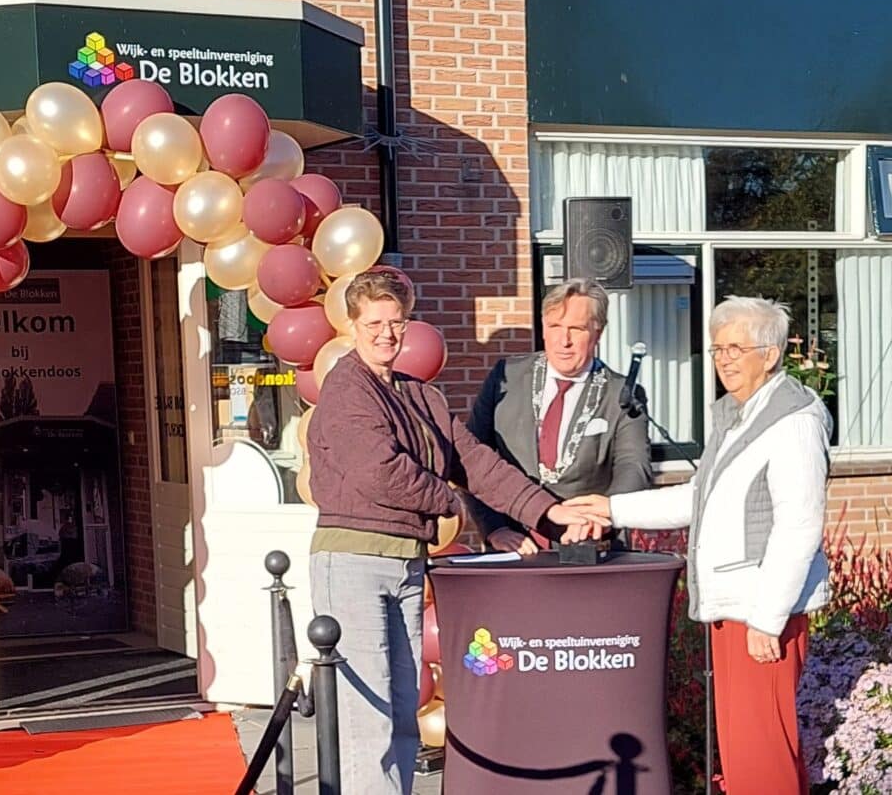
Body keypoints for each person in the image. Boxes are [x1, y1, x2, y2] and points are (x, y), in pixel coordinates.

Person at [307, 269, 605, 795]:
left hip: (405, 562)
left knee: (400, 711)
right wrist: (449, 503)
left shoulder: (421, 397)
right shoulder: (346, 388)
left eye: (396, 322)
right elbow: (379, 472)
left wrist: (548, 512)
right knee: (368, 720)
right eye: (374, 322)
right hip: (353, 562)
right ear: (353, 325)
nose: (387, 334)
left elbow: (478, 464)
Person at [564, 296, 830, 794]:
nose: (724, 359)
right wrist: (612, 508)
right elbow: (698, 498)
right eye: (717, 349)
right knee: (746, 749)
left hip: (760, 614)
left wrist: (767, 619)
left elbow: (799, 525)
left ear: (770, 355)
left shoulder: (793, 421)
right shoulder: (738, 415)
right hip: (734, 610)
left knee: (761, 752)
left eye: (736, 347)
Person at [466, 278, 652, 552]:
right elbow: (474, 457)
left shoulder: (621, 394)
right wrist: (495, 528)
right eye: (555, 327)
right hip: (514, 545)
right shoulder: (506, 377)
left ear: (597, 334)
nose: (563, 341)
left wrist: (604, 516)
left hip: (588, 544)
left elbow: (633, 466)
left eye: (576, 329)